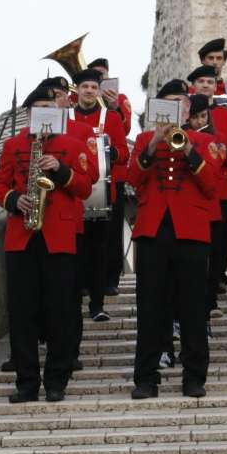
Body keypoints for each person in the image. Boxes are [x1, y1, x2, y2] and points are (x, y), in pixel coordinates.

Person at [0, 84, 94, 403]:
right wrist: (13, 200)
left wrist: (60, 169)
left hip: (59, 238)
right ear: (30, 113)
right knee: (22, 312)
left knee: (60, 310)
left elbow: (87, 188)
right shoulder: (13, 145)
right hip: (22, 237)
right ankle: (27, 383)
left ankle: (57, 380)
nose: (46, 112)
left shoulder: (74, 144)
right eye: (39, 108)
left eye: (52, 106)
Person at [126, 79, 219, 399]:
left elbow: (211, 186)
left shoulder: (204, 142)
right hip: (153, 229)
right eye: (168, 101)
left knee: (193, 307)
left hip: (191, 230)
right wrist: (153, 144)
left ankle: (194, 376)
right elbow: (133, 180)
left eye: (180, 102)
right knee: (150, 307)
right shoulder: (142, 140)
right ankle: (146, 378)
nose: (175, 106)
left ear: (188, 108)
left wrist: (189, 149)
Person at [71, 70, 129, 323]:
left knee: (100, 250)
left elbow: (124, 153)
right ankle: (75, 300)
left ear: (98, 91)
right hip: (73, 194)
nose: (89, 92)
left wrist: (107, 151)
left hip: (104, 193)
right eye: (85, 87)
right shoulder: (67, 117)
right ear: (78, 90)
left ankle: (98, 304)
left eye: (94, 88)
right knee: (76, 250)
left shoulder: (112, 117)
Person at [186, 64, 227, 317]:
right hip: (190, 191)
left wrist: (221, 152)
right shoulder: (183, 115)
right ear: (194, 86)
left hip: (220, 189)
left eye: (210, 82)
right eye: (201, 82)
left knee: (219, 247)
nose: (206, 86)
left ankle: (211, 298)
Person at [79, 58, 134, 297]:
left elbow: (125, 137)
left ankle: (109, 278)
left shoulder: (118, 104)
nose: (91, 89)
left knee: (109, 233)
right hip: (79, 181)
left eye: (96, 83)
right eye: (86, 85)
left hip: (111, 179)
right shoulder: (71, 111)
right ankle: (82, 280)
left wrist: (114, 108)